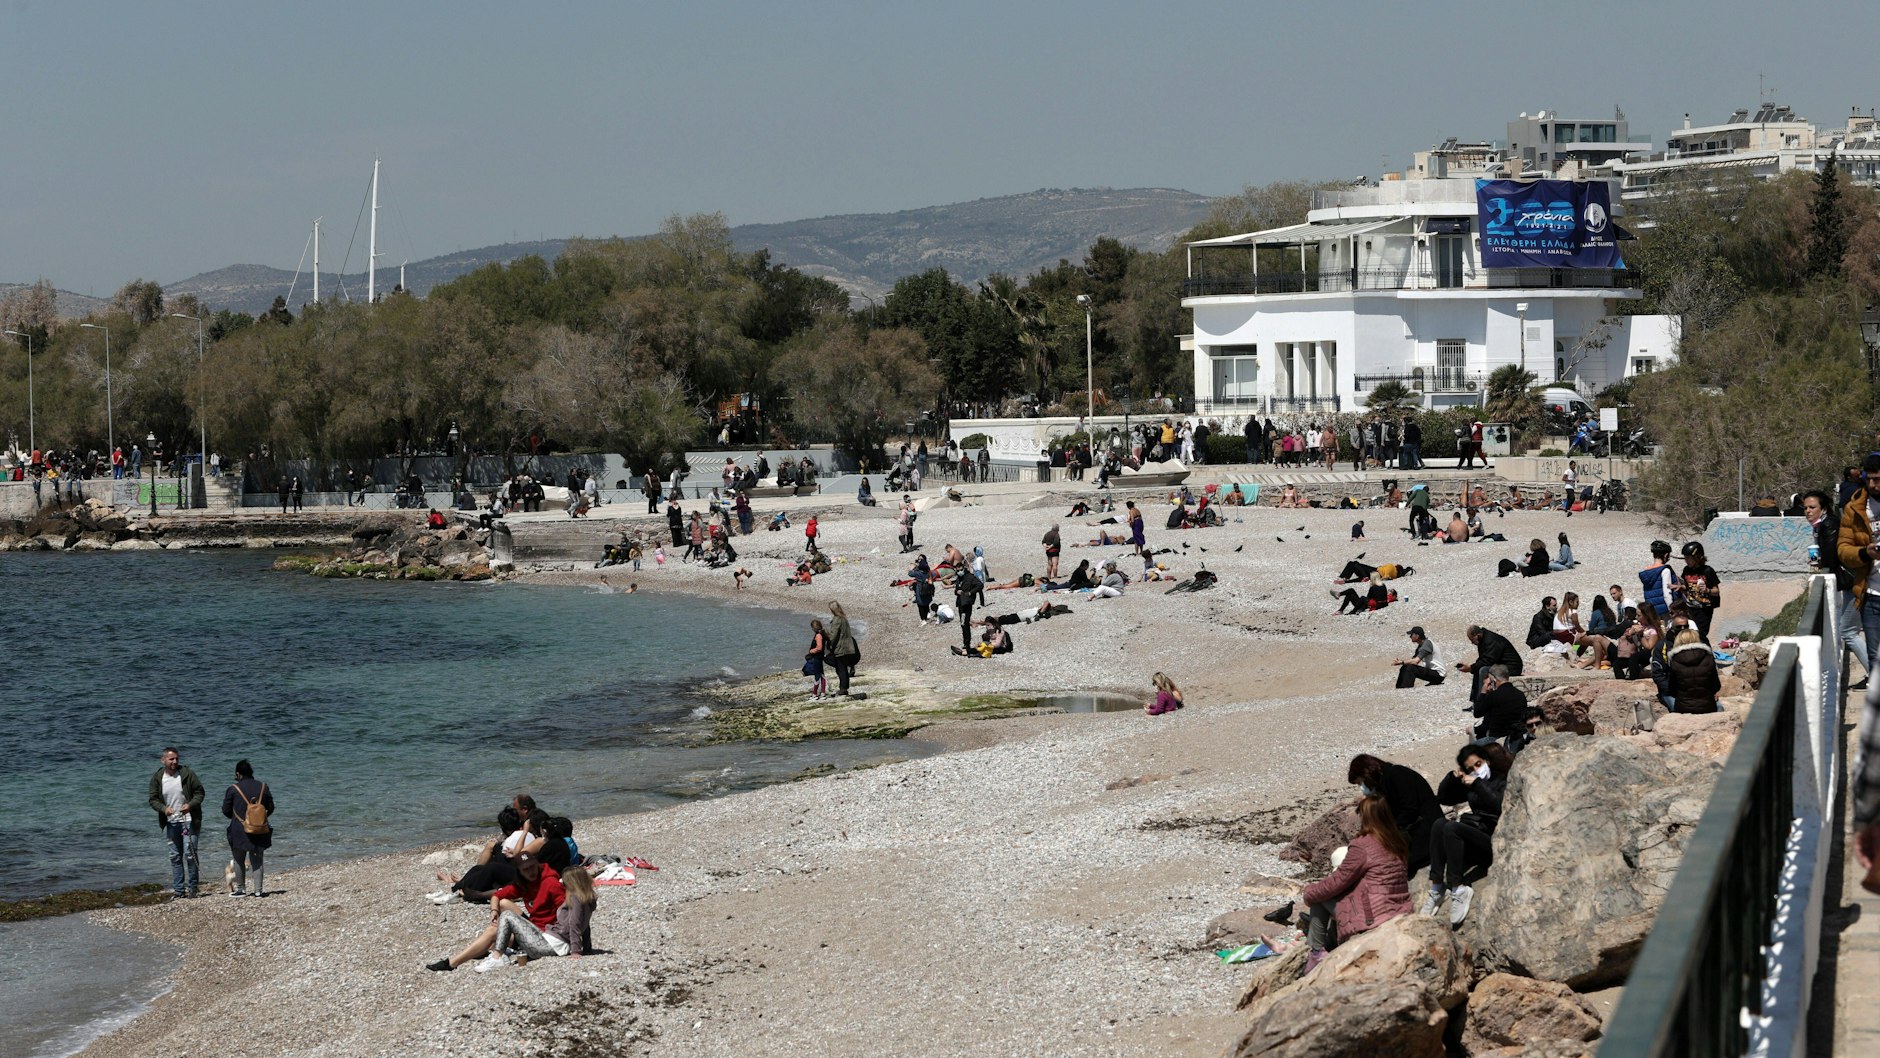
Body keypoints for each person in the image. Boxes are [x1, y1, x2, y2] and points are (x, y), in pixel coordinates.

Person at [1299, 795, 1414, 970]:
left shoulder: (1363, 845)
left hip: (1373, 917)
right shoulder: (1398, 841)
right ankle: (1325, 948)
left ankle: (1316, 954)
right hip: (1400, 911)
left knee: (1319, 898)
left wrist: (1309, 892)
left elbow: (1337, 882)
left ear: (1365, 817)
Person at [425, 851, 568, 972]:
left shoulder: (550, 883)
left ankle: (467, 960)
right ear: (519, 871)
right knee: (500, 909)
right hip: (533, 926)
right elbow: (497, 896)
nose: (530, 872)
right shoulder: (524, 883)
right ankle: (456, 961)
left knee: (498, 926)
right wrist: (494, 911)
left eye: (532, 867)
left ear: (537, 864)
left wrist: (574, 944)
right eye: (526, 869)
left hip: (546, 934)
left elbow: (567, 912)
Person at [1423, 743, 1511, 925]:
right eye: (1470, 768)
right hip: (1477, 837)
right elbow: (1444, 798)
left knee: (1452, 828)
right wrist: (1452, 778)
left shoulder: (1503, 780)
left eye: (1478, 764)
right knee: (1440, 824)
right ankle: (1437, 886)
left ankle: (1458, 887)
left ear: (1487, 761)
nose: (1476, 770)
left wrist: (1477, 784)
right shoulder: (1472, 785)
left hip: (1495, 842)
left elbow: (1498, 805)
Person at [1803, 489, 1871, 686]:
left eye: (1812, 507)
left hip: (1854, 583)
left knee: (1847, 631)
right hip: (1852, 583)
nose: (1808, 511)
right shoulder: (1822, 526)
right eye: (1805, 508)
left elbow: (1832, 557)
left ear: (1823, 509)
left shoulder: (1829, 525)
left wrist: (1820, 561)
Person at [1840, 454, 1880, 679]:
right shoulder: (1855, 508)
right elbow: (1843, 549)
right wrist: (1865, 553)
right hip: (1871, 596)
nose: (1873, 485)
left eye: (1878, 479)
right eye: (1869, 479)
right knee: (1875, 658)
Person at [148, 747, 205, 898]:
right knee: (175, 856)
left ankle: (193, 889)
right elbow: (153, 799)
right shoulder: (157, 777)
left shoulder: (187, 773)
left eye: (176, 759)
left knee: (190, 854)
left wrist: (190, 805)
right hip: (171, 822)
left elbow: (200, 793)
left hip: (189, 820)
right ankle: (179, 891)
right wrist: (163, 809)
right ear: (163, 760)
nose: (174, 762)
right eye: (171, 759)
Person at [219, 759, 274, 897]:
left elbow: (226, 810)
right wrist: (258, 818)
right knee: (257, 860)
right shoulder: (263, 787)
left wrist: (238, 818)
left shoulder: (233, 789)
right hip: (259, 829)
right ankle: (258, 891)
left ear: (238, 774)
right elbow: (271, 808)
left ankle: (241, 889)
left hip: (239, 829)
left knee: (238, 859)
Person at [1457, 625, 1522, 706]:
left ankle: (1482, 702)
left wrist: (1471, 668)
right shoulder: (1483, 640)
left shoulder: (1491, 640)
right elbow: (1483, 659)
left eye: (1472, 640)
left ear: (1478, 636)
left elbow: (1488, 660)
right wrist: (1472, 667)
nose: (1472, 643)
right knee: (1477, 669)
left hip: (1512, 667)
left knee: (1483, 670)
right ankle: (1476, 701)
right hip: (1501, 665)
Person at [1666, 627, 1722, 713]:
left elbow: (1672, 689)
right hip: (1708, 706)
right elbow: (1716, 686)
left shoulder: (1674, 660)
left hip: (1683, 708)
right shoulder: (1708, 657)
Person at [1471, 665, 1528, 745]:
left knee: (1471, 747)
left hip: (1497, 738)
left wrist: (1483, 692)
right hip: (1517, 736)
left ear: (1493, 679)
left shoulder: (1494, 696)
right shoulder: (1520, 694)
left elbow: (1477, 713)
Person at [1678, 541, 1722, 643]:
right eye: (1685, 558)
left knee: (1700, 634)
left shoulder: (1708, 571)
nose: (1686, 561)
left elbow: (1716, 591)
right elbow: (1687, 587)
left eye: (1688, 558)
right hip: (1690, 607)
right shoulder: (1687, 570)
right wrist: (1680, 587)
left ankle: (1704, 650)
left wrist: (1707, 590)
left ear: (1697, 557)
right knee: (1689, 633)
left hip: (1704, 609)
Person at [826, 602, 860, 697]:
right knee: (842, 667)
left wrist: (828, 640)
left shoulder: (837, 620)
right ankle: (844, 687)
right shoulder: (844, 618)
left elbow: (833, 636)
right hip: (847, 646)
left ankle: (843, 688)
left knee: (840, 668)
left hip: (840, 647)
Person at [1639, 539, 1678, 617]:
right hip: (1665, 612)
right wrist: (1672, 611)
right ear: (1666, 555)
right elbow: (1667, 594)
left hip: (1652, 612)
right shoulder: (1665, 571)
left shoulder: (1647, 572)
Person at [804, 619, 829, 700]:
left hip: (817, 657)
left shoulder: (818, 635)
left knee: (817, 676)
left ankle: (814, 694)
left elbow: (819, 647)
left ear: (814, 627)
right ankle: (823, 693)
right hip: (820, 657)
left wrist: (811, 651)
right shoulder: (822, 634)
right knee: (822, 675)